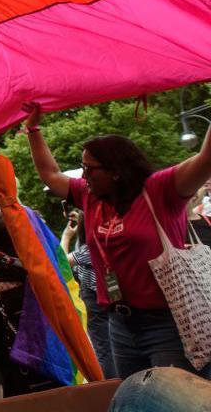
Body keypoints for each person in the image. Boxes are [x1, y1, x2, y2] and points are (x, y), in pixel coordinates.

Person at [22, 101, 211, 379]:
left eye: (90, 169)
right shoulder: (91, 196)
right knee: (133, 400)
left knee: (174, 400)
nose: (84, 176)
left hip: (167, 324)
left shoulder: (160, 190)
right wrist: (33, 129)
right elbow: (50, 175)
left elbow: (205, 160)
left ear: (116, 170)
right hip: (120, 324)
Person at [61, 208, 115, 379]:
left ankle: (109, 386)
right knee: (117, 341)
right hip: (114, 294)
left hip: (94, 298)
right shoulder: (110, 240)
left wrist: (66, 237)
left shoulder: (90, 249)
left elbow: (62, 262)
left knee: (103, 347)